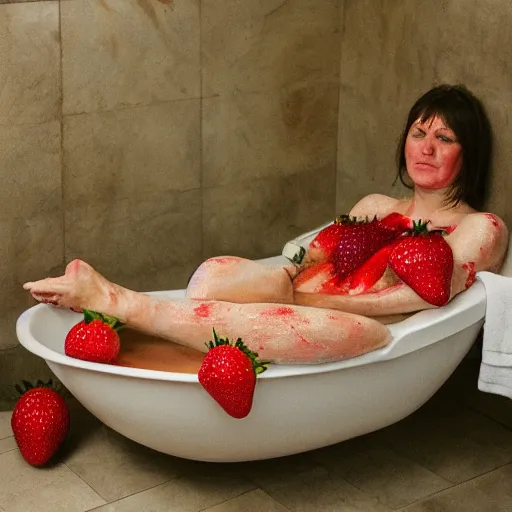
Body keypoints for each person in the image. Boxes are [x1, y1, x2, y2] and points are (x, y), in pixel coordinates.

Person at [23, 84, 509, 364]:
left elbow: (423, 295)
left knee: (268, 315)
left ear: (471, 154)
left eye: (444, 138)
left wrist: (295, 298)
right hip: (300, 296)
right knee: (211, 274)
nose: (425, 147)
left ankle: (118, 302)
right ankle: (140, 318)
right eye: (419, 132)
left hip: (366, 329)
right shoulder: (378, 203)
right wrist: (273, 278)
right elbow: (309, 257)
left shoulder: (479, 227)